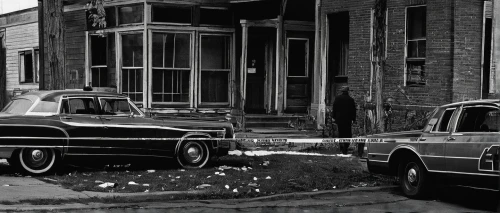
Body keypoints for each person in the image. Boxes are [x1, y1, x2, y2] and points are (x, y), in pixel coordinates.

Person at [332, 86, 356, 155]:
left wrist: (334, 117)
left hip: (339, 119)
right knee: (348, 133)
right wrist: (353, 119)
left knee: (341, 132)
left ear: (342, 91)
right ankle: (346, 146)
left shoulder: (338, 98)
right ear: (347, 91)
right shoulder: (351, 100)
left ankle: (341, 146)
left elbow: (334, 108)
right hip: (348, 120)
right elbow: (353, 110)